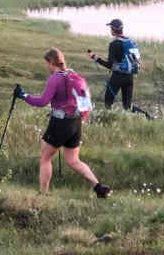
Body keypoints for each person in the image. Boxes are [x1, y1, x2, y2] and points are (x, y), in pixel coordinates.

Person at [15, 47, 111, 198]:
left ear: (51, 62)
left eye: (47, 63)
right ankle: (99, 187)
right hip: (76, 122)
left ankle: (43, 195)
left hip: (60, 123)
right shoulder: (74, 75)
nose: (47, 67)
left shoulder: (55, 78)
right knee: (73, 160)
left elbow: (42, 101)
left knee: (45, 158)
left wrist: (24, 95)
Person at [88, 18, 139, 110]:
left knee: (108, 101)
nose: (110, 30)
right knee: (127, 106)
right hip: (130, 77)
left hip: (117, 77)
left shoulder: (114, 44)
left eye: (110, 28)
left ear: (113, 29)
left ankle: (109, 120)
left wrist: (95, 58)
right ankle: (148, 117)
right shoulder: (130, 41)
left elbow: (109, 65)